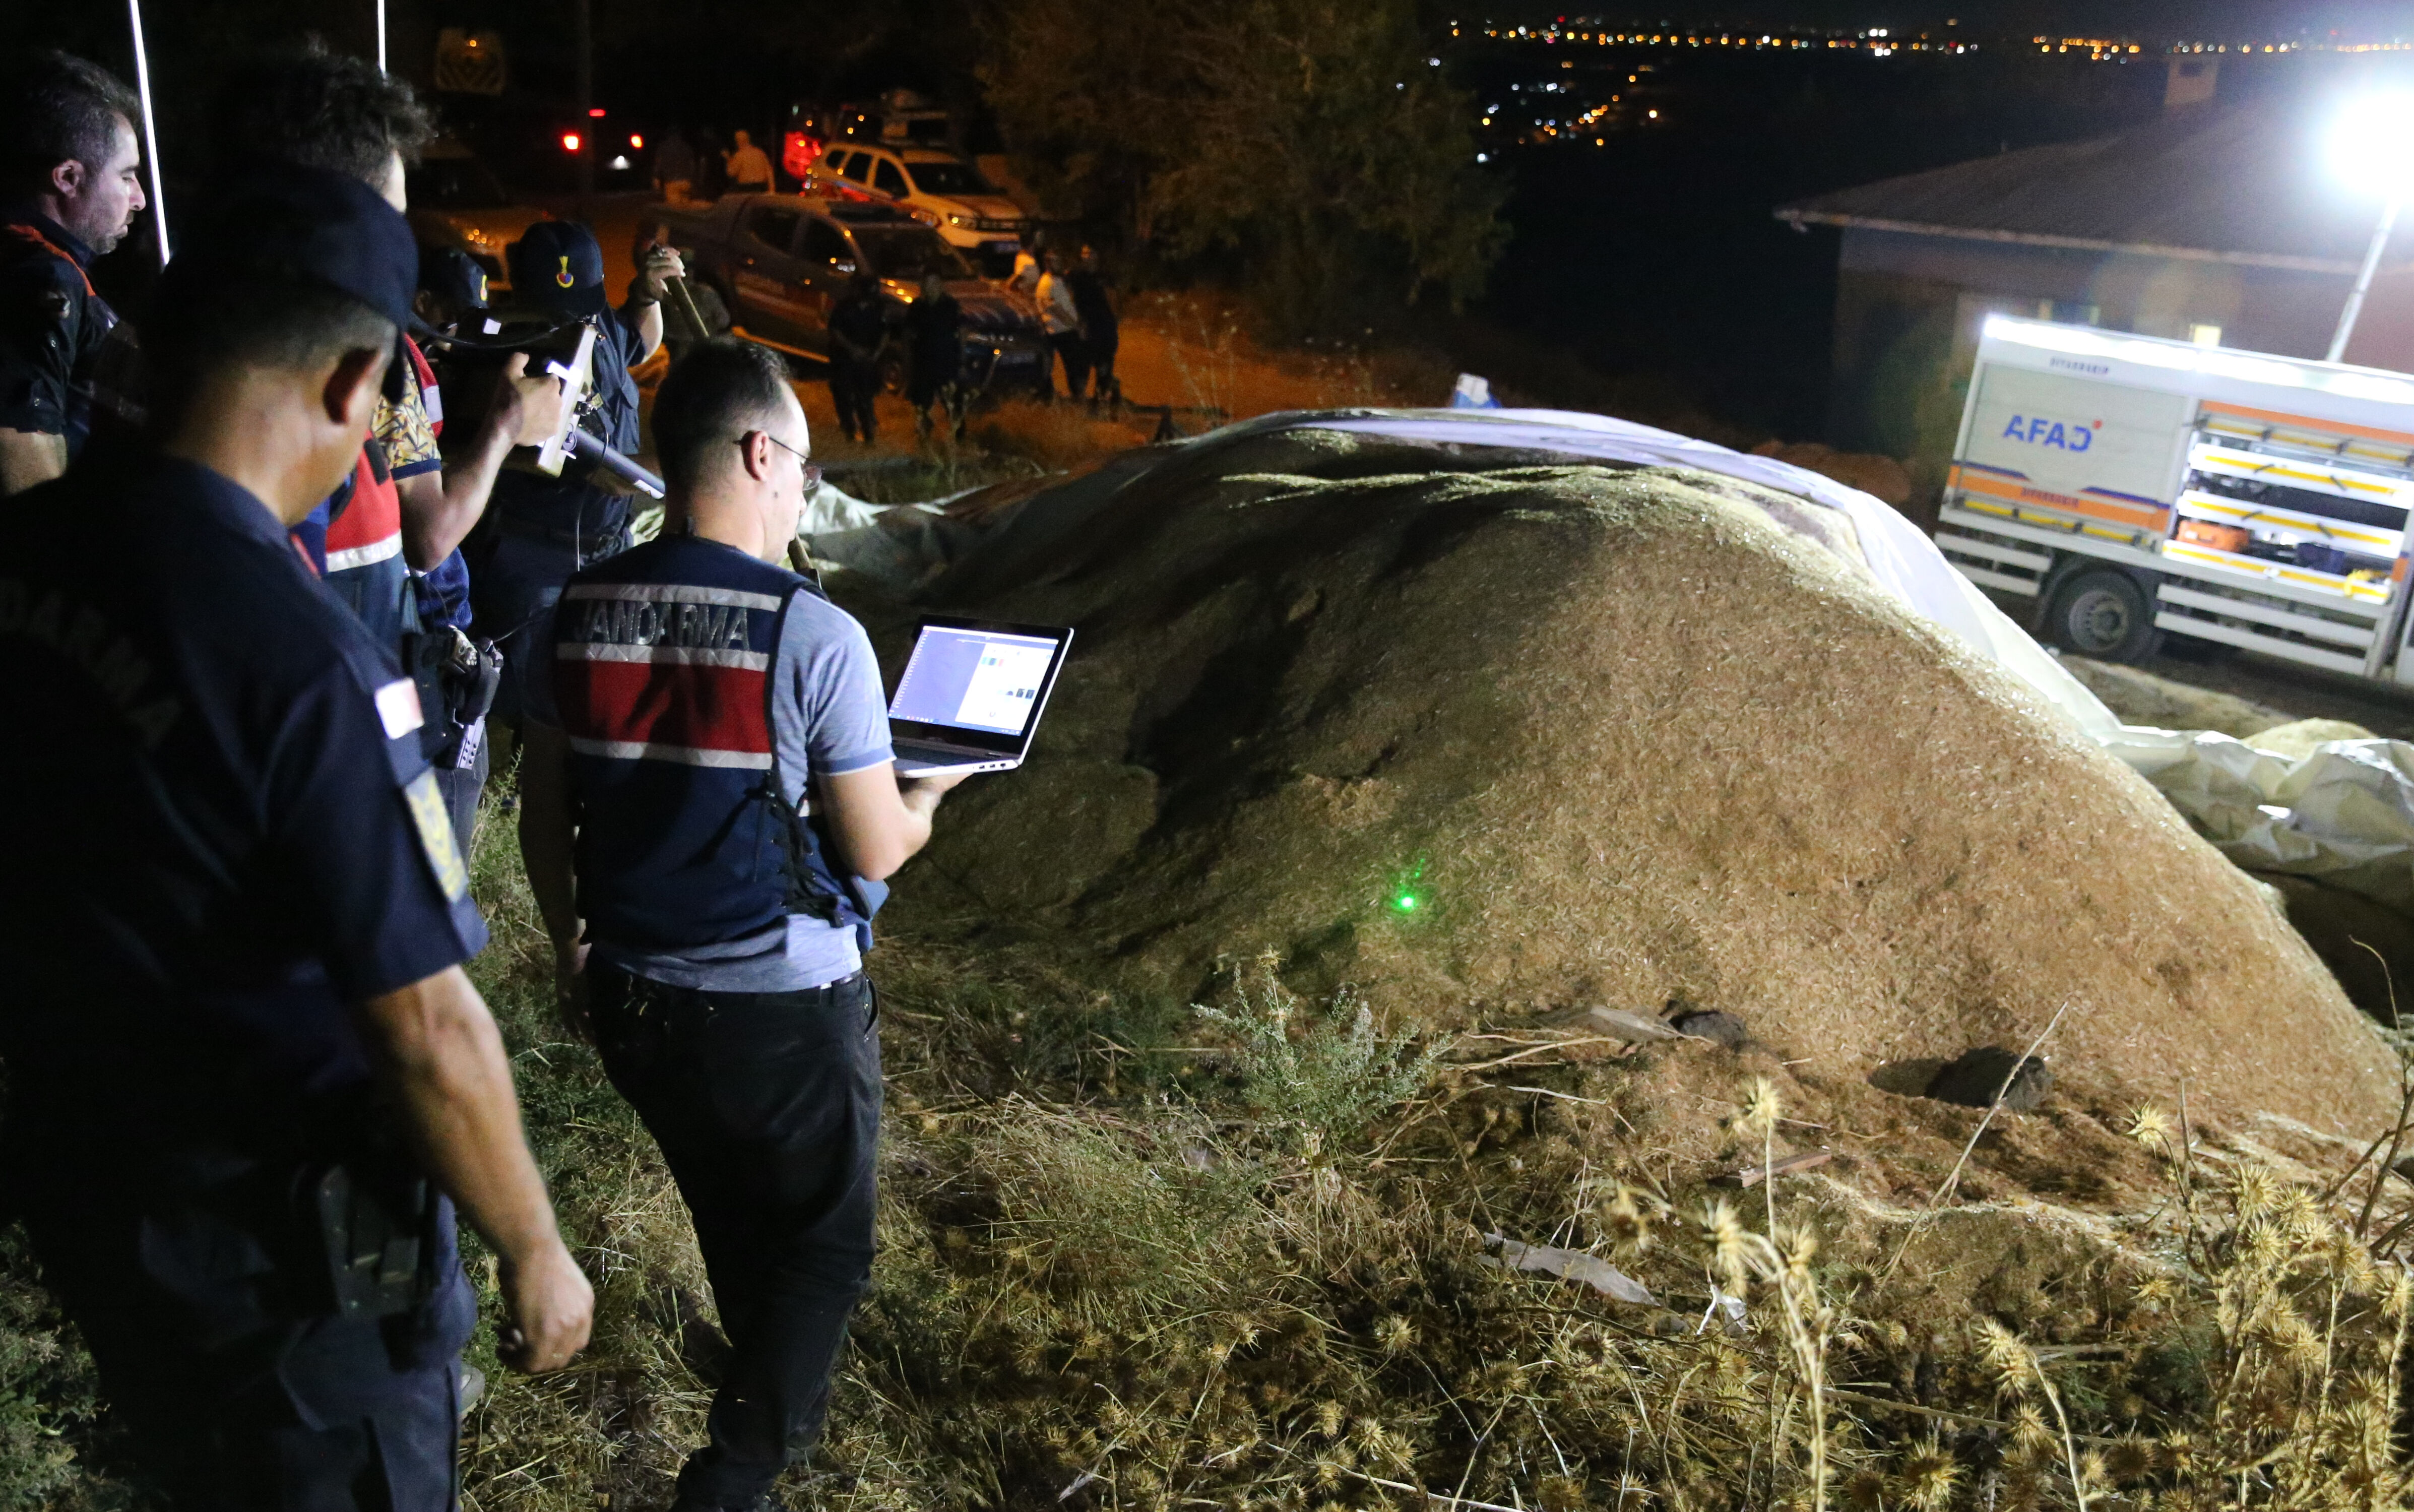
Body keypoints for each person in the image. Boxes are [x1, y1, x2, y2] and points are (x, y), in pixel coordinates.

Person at [0, 160, 592, 1512]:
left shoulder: (33, 551)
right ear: (351, 386)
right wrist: (534, 1246)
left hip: (102, 1184)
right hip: (293, 1268)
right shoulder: (296, 656)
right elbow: (426, 1024)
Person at [517, 337, 964, 1512]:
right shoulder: (813, 635)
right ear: (761, 453)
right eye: (804, 464)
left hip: (630, 992)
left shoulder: (573, 608)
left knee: (727, 1202)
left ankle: (762, 1385)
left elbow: (545, 807)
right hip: (776, 1007)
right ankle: (735, 1476)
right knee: (824, 1244)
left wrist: (571, 940)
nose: (805, 487)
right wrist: (928, 797)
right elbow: (870, 851)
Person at [209, 44, 566, 839]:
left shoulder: (150, 345)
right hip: (371, 720)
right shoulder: (366, 360)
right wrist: (508, 427)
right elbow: (431, 535)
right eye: (392, 216)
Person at [473, 218, 680, 730]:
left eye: (579, 309)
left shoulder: (595, 324)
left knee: (604, 703)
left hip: (605, 549)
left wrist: (646, 295)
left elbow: (638, 341)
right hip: (537, 561)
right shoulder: (502, 348)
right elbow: (606, 474)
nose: (567, 326)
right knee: (538, 714)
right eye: (553, 310)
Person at [0, 49, 147, 495]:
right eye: (126, 177)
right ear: (67, 177)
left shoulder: (42, 265)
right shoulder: (42, 279)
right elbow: (21, 447)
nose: (139, 199)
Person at [827, 269, 888, 445]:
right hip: (844, 359)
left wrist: (875, 354)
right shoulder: (844, 307)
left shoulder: (878, 308)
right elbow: (835, 331)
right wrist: (852, 349)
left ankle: (868, 433)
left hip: (867, 359)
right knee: (844, 394)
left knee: (865, 396)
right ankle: (850, 430)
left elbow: (885, 333)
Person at [904, 269, 964, 443]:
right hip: (923, 362)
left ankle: (958, 439)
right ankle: (924, 438)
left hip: (946, 361)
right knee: (922, 403)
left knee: (952, 404)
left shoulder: (950, 306)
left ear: (941, 286)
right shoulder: (917, 307)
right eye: (927, 285)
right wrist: (908, 362)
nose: (930, 289)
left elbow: (961, 333)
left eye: (934, 284)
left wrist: (961, 360)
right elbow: (908, 334)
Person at [1034, 248, 1087, 402]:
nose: (1059, 264)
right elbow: (1057, 310)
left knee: (1072, 366)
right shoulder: (1047, 283)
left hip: (1063, 330)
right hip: (1062, 331)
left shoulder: (1056, 281)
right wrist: (1077, 326)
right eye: (1055, 261)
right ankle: (1076, 398)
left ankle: (1072, 396)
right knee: (1074, 367)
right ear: (1048, 264)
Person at [1070, 244, 1120, 407]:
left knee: (1104, 365)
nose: (1086, 257)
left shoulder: (1104, 277)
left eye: (1090, 253)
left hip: (1104, 327)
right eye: (1084, 253)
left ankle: (1100, 400)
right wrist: (1078, 322)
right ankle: (1081, 400)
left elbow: (1113, 300)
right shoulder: (1076, 276)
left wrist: (1114, 321)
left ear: (1097, 256)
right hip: (1087, 326)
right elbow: (1071, 299)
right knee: (1083, 365)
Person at [655, 127, 699, 205]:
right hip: (686, 182)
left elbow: (659, 165)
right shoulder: (687, 147)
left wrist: (657, 178)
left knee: (674, 209)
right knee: (685, 209)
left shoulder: (663, 147)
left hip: (671, 181)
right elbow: (693, 165)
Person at [723, 129, 774, 195]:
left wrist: (728, 159)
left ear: (739, 141)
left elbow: (731, 173)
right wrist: (772, 189)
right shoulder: (760, 153)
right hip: (761, 188)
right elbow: (769, 172)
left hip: (746, 188)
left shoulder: (740, 155)